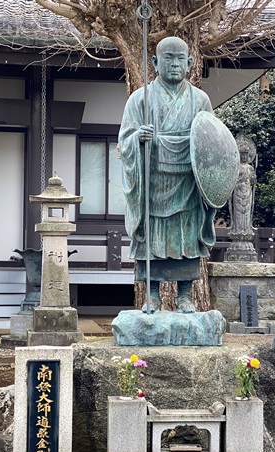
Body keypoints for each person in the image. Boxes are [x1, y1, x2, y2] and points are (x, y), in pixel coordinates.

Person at [118, 36, 216, 314]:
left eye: (179, 59)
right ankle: (152, 296)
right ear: (155, 62)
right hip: (153, 181)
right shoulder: (140, 99)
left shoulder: (200, 100)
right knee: (152, 241)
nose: (174, 64)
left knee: (187, 241)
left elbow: (211, 139)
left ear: (189, 62)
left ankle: (185, 297)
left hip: (188, 181)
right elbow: (124, 141)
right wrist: (138, 137)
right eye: (167, 58)